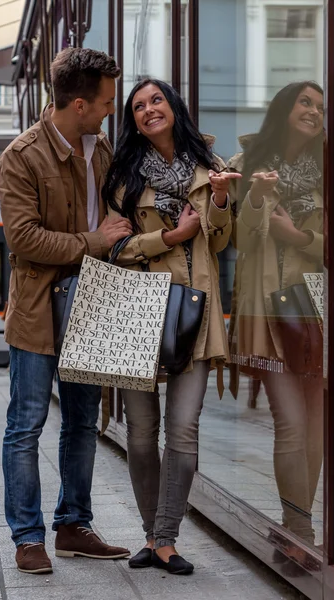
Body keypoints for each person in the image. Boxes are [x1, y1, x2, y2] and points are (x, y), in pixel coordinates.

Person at [0, 47, 132, 574]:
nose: (108, 111)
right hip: (35, 309)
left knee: (81, 421)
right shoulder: (21, 156)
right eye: (103, 103)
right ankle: (28, 537)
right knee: (26, 422)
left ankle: (74, 526)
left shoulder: (101, 150)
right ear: (78, 103)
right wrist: (92, 242)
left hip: (91, 304)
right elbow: (24, 239)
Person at [103, 78, 241, 574]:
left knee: (183, 431)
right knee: (141, 433)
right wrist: (169, 236)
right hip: (140, 311)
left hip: (196, 314)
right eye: (138, 106)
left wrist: (221, 203)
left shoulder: (211, 167)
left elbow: (222, 243)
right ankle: (149, 533)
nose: (148, 110)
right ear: (134, 121)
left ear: (172, 106)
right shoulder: (123, 177)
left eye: (156, 100)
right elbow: (115, 249)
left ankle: (165, 539)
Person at [227, 82, 324, 558]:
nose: (314, 112)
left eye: (320, 107)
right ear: (284, 109)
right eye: (305, 102)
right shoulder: (248, 165)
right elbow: (237, 242)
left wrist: (299, 237)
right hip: (267, 308)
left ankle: (296, 532)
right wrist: (259, 200)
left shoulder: (330, 172)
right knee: (290, 420)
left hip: (318, 308)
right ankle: (299, 534)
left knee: (314, 421)